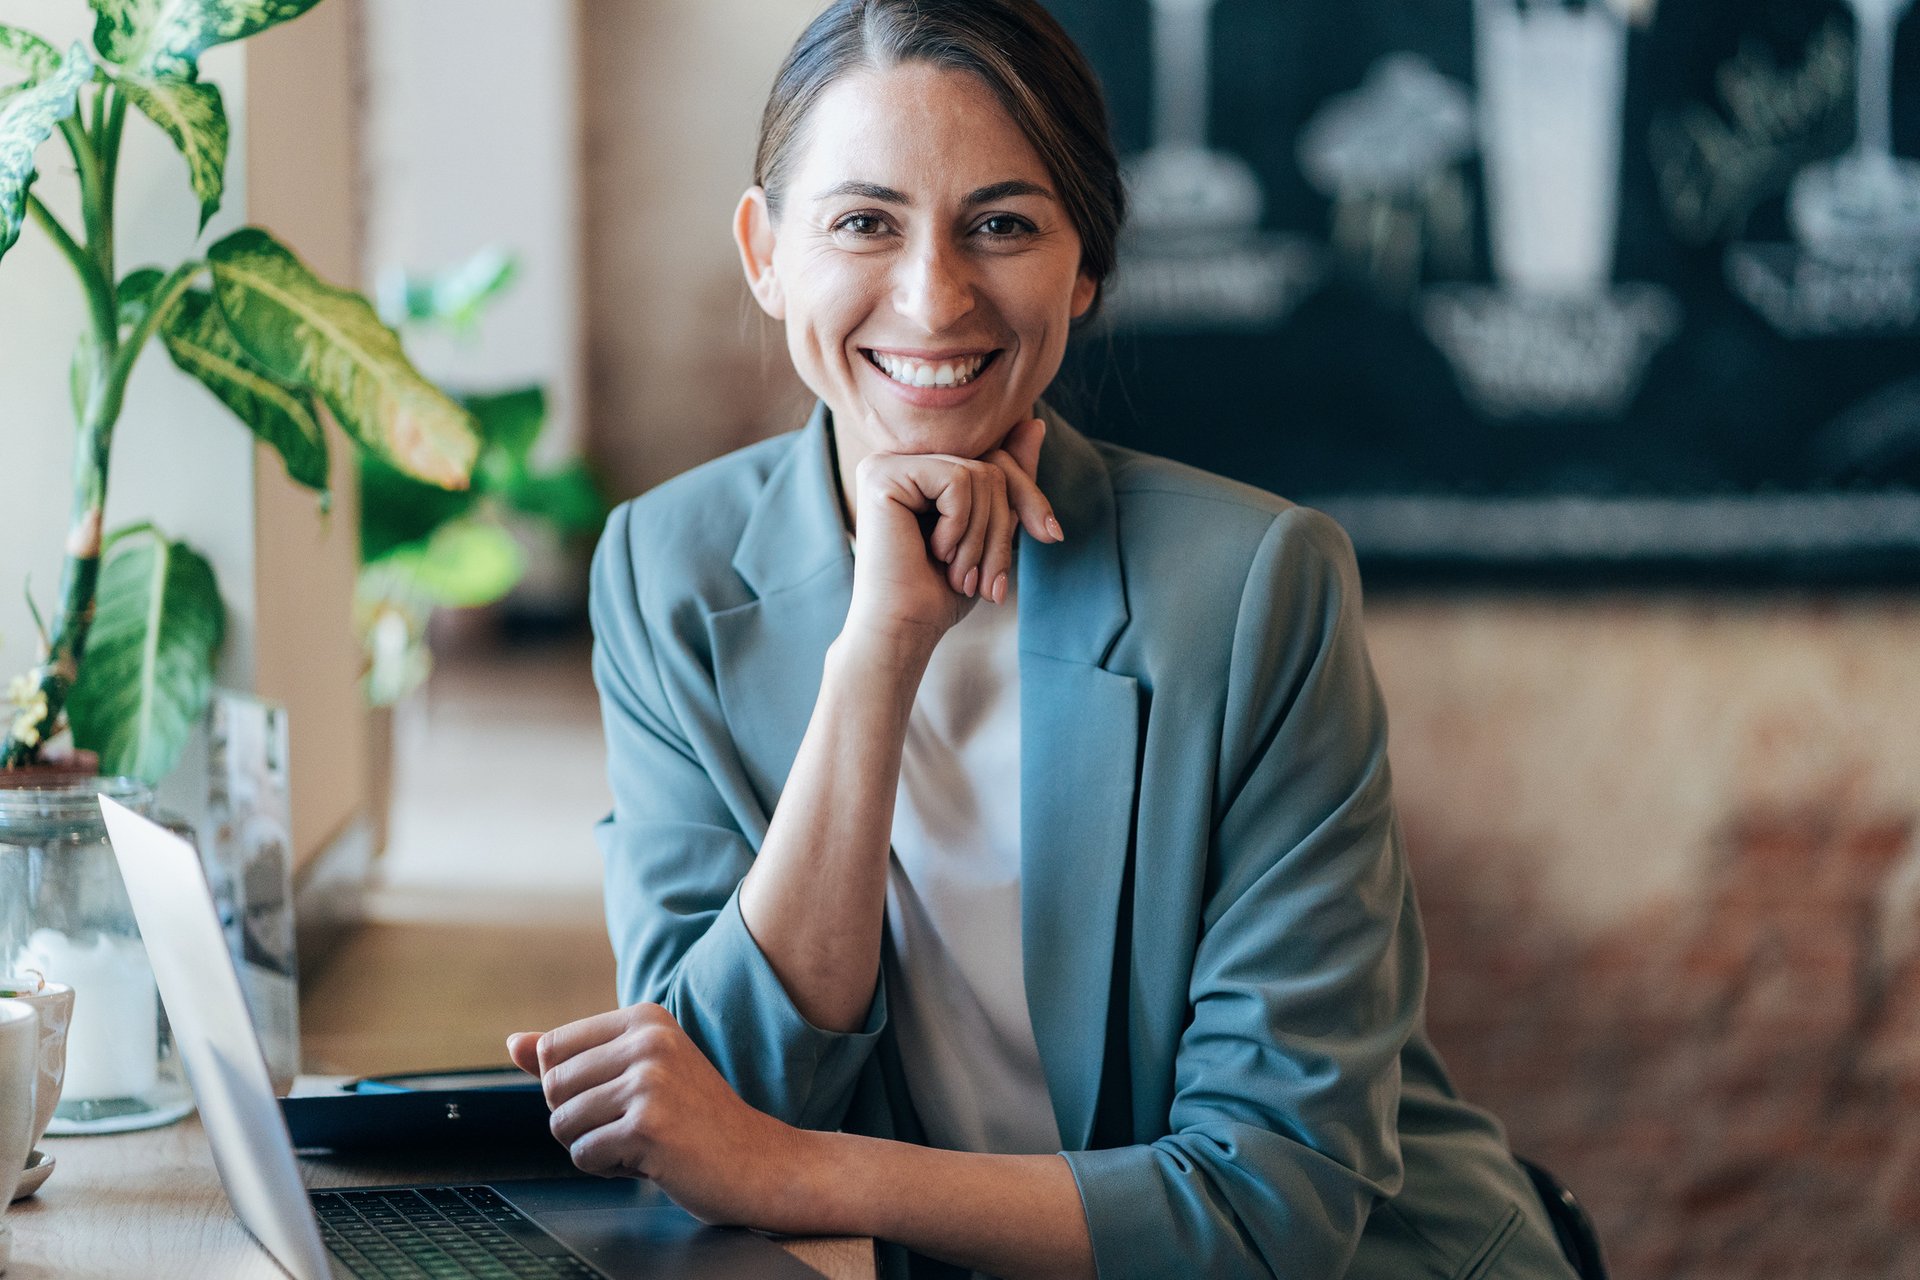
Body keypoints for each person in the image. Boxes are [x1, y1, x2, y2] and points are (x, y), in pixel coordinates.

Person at [507, 2, 1580, 1278]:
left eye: (1002, 224)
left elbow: (1271, 1200)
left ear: (1084, 266)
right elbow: (721, 1093)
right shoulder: (663, 571)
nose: (932, 294)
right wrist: (877, 655)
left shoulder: (1253, 589)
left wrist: (804, 1170)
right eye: (863, 221)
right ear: (766, 252)